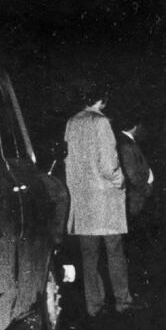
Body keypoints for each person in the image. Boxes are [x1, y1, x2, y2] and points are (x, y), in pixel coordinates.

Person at [65, 86, 139, 316]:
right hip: (105, 199)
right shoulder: (102, 123)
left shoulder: (72, 122)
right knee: (115, 251)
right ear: (103, 100)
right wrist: (121, 181)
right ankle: (122, 300)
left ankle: (94, 306)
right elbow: (108, 165)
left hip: (83, 199)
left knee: (89, 256)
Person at [115, 119, 154, 223]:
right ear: (136, 126)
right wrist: (146, 188)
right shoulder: (126, 144)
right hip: (134, 195)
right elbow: (131, 173)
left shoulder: (124, 140)